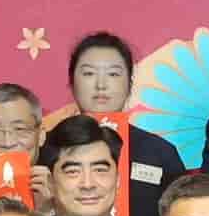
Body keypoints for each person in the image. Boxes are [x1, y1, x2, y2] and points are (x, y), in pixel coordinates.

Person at [56, 31, 191, 191]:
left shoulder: (160, 152)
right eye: (89, 73)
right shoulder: (49, 147)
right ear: (72, 82)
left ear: (129, 84)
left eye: (113, 74)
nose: (101, 85)